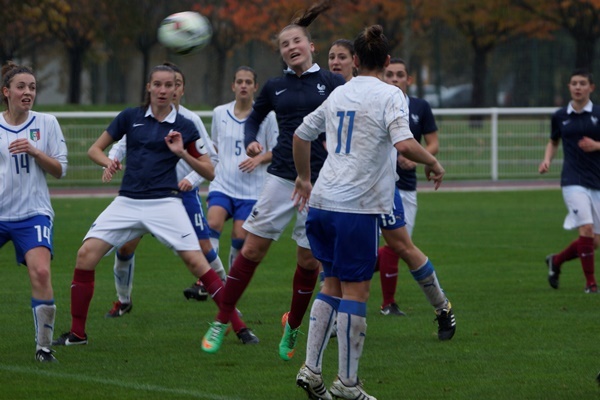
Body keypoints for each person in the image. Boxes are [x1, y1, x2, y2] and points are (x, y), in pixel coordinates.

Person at [53, 64, 257, 347]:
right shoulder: (130, 117)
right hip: (127, 201)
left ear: (176, 89)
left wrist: (182, 152)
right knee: (86, 254)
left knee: (198, 261)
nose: (163, 90)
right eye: (158, 84)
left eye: (169, 85)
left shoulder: (184, 125)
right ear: (148, 87)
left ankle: (240, 326)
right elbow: (94, 150)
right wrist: (109, 162)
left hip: (165, 202)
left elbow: (211, 171)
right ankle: (77, 334)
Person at [291, 25, 445, 400]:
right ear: (387, 61)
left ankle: (311, 370)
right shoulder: (390, 94)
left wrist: (304, 179)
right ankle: (348, 383)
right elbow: (405, 143)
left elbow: (300, 135)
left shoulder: (341, 93)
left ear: (355, 60)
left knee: (331, 282)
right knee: (357, 290)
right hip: (356, 207)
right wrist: (434, 162)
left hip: (323, 203)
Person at [201, 0, 346, 358]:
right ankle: (221, 320)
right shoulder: (274, 86)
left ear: (311, 46)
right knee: (251, 249)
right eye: (284, 44)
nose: (291, 47)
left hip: (321, 183)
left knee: (309, 261)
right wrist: (252, 137)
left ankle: (293, 328)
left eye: (297, 41)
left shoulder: (333, 83)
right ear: (281, 52)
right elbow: (255, 117)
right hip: (282, 177)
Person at [0, 61, 68, 362]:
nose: (27, 92)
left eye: (32, 87)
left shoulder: (47, 123)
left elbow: (60, 170)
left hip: (33, 213)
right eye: (21, 87)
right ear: (6, 92)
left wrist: (35, 151)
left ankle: (43, 347)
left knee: (41, 272)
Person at [377, 58, 442, 316]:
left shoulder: (419, 107)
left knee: (399, 246)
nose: (394, 79)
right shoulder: (378, 103)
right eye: (390, 74)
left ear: (409, 79)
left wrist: (418, 156)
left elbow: (433, 142)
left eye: (400, 75)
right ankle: (388, 303)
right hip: (379, 186)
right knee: (395, 247)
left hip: (407, 187)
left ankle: (333, 273)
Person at [205, 66, 278, 271]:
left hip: (252, 189)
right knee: (212, 225)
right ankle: (210, 278)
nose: (243, 86)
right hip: (223, 183)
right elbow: (215, 147)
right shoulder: (220, 113)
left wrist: (258, 160)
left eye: (248, 82)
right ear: (233, 86)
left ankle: (229, 284)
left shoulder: (267, 116)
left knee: (239, 236)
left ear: (255, 87)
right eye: (239, 82)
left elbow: (276, 150)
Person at [539, 68, 600, 293]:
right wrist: (547, 160)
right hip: (572, 180)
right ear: (569, 87)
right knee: (585, 229)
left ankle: (556, 260)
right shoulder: (560, 115)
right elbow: (553, 141)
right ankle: (591, 284)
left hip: (597, 180)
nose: (577, 87)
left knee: (594, 241)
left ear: (591, 88)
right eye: (574, 83)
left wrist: (596, 146)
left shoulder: (599, 114)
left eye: (582, 83)